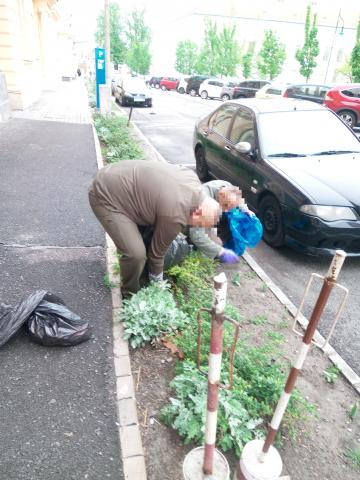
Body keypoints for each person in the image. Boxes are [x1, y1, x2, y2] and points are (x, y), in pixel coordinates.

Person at [88, 161, 221, 297]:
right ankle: (130, 294)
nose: (193, 226)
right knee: (136, 254)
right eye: (196, 223)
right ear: (197, 213)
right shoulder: (175, 215)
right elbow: (157, 255)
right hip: (105, 195)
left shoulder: (193, 181)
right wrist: (158, 286)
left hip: (116, 173)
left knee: (147, 233)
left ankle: (139, 275)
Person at [188, 180, 253, 262]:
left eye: (229, 207)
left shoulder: (226, 187)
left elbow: (238, 200)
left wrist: (246, 210)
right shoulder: (203, 203)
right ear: (220, 196)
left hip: (206, 214)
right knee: (217, 243)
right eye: (225, 205)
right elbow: (196, 234)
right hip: (190, 221)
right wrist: (220, 251)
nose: (226, 210)